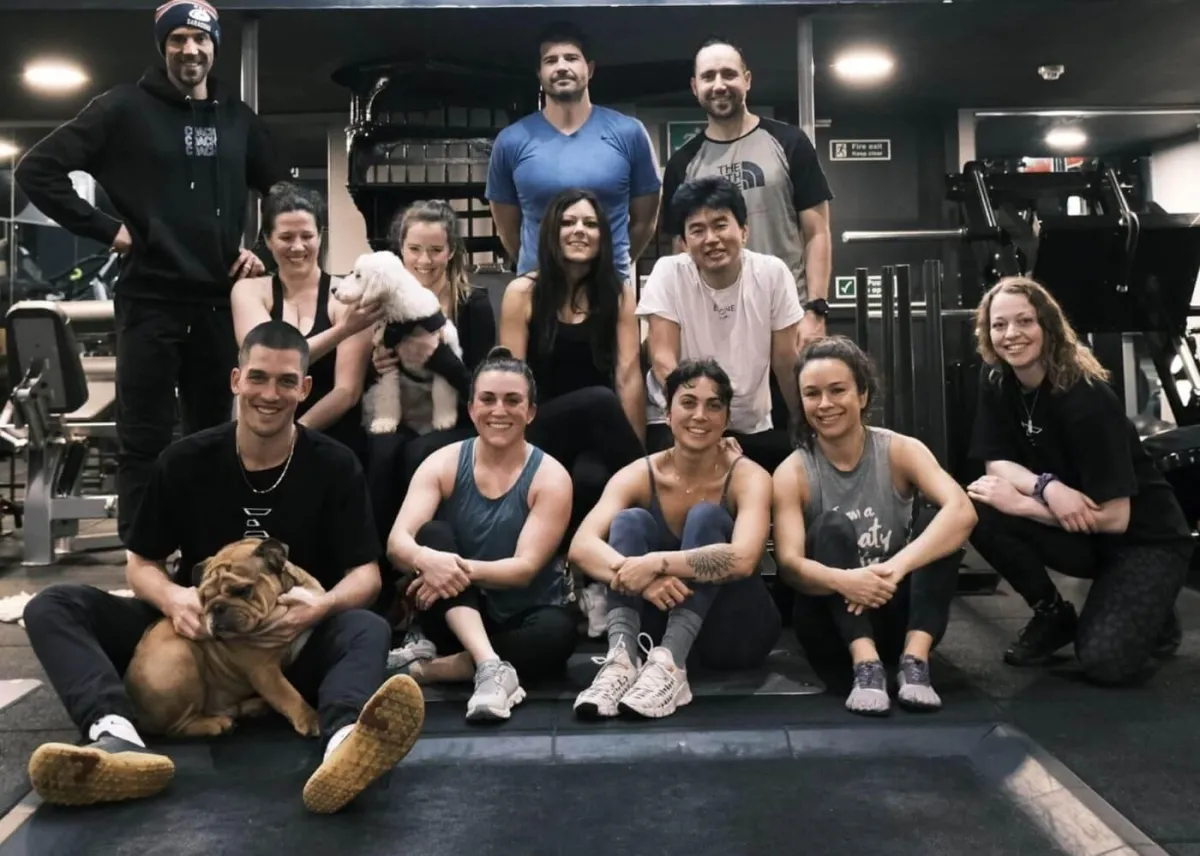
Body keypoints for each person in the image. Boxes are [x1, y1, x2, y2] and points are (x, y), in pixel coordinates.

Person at [21, 321, 424, 814]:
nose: (269, 394)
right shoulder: (185, 460)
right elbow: (141, 564)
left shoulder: (334, 465)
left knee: (366, 626)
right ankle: (115, 735)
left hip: (293, 639)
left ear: (304, 388)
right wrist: (174, 598)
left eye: (285, 381)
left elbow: (366, 576)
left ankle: (344, 742)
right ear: (236, 380)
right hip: (194, 634)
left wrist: (320, 607)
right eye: (258, 378)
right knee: (53, 605)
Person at [14, 0, 287, 543]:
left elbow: (282, 191)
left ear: (214, 47)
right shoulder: (123, 109)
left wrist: (262, 250)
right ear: (164, 47)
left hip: (218, 303)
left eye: (200, 39)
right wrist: (107, 229)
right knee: (145, 439)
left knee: (215, 436)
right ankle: (145, 558)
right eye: (177, 39)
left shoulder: (236, 119)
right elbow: (36, 169)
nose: (190, 49)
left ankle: (210, 551)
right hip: (150, 300)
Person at [966, 276, 1190, 685]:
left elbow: (1116, 519)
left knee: (1106, 664)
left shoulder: (1087, 398)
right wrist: (1047, 488)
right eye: (999, 325)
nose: (1011, 334)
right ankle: (1052, 615)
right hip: (1082, 532)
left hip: (1142, 540)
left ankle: (1156, 614)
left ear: (1048, 326)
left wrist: (1027, 506)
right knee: (979, 507)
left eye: (1024, 321)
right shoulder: (997, 379)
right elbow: (996, 463)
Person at [772, 336, 976, 715]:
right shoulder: (793, 472)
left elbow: (963, 511)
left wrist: (895, 568)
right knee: (830, 527)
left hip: (893, 614)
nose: (825, 404)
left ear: (862, 395)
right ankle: (866, 665)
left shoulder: (901, 450)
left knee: (940, 523)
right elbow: (789, 565)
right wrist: (845, 581)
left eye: (837, 390)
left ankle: (915, 662)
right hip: (832, 626)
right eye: (812, 394)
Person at [569, 359, 781, 720]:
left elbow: (745, 559)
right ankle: (622, 661)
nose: (700, 415)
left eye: (713, 405)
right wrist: (643, 578)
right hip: (656, 632)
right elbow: (581, 546)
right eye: (688, 402)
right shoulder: (638, 474)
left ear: (726, 420)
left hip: (734, 633)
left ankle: (671, 664)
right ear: (667, 413)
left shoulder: (749, 476)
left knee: (706, 516)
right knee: (629, 521)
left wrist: (656, 564)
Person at [385, 348, 577, 721]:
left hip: (520, 617)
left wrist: (450, 569)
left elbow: (523, 569)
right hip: (453, 613)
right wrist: (426, 558)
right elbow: (398, 543)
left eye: (512, 400)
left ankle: (435, 669)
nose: (499, 410)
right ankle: (489, 665)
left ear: (530, 412)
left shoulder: (550, 477)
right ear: (472, 409)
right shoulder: (442, 463)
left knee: (558, 634)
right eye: (487, 399)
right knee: (433, 534)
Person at [664, 37, 833, 344]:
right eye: (708, 76)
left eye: (728, 74)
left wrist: (815, 310)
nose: (719, 85)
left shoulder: (790, 142)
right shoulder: (682, 163)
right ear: (694, 86)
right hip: (713, 322)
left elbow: (817, 232)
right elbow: (682, 250)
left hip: (788, 316)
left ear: (747, 80)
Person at [638, 176, 802, 475]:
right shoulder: (668, 273)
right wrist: (705, 419)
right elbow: (663, 361)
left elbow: (786, 362)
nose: (711, 238)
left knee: (783, 474)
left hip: (749, 424)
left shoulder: (772, 274)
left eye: (720, 225)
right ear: (684, 243)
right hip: (681, 419)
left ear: (744, 231)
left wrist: (803, 425)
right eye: (697, 230)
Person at [486, 22, 661, 281]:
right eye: (550, 60)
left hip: (608, 288)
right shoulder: (511, 141)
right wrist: (539, 268)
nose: (561, 67)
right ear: (539, 73)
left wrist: (611, 266)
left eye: (571, 58)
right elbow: (507, 230)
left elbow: (644, 223)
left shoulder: (629, 133)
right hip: (537, 288)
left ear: (589, 69)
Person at [368, 199, 498, 544]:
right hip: (402, 413)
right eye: (415, 249)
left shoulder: (473, 304)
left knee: (420, 452)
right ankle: (379, 559)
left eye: (435, 250)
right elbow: (371, 377)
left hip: (456, 420)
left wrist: (439, 357)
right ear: (401, 249)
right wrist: (375, 364)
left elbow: (483, 390)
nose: (424, 260)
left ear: (451, 251)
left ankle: (418, 550)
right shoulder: (383, 302)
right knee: (382, 451)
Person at [231, 182, 382, 463]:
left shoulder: (347, 295)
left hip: (332, 437)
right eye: (286, 237)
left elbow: (347, 391)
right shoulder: (248, 291)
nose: (298, 246)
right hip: (261, 433)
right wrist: (343, 330)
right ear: (268, 239)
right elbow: (266, 359)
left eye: (307, 236)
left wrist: (295, 434)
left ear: (320, 237)